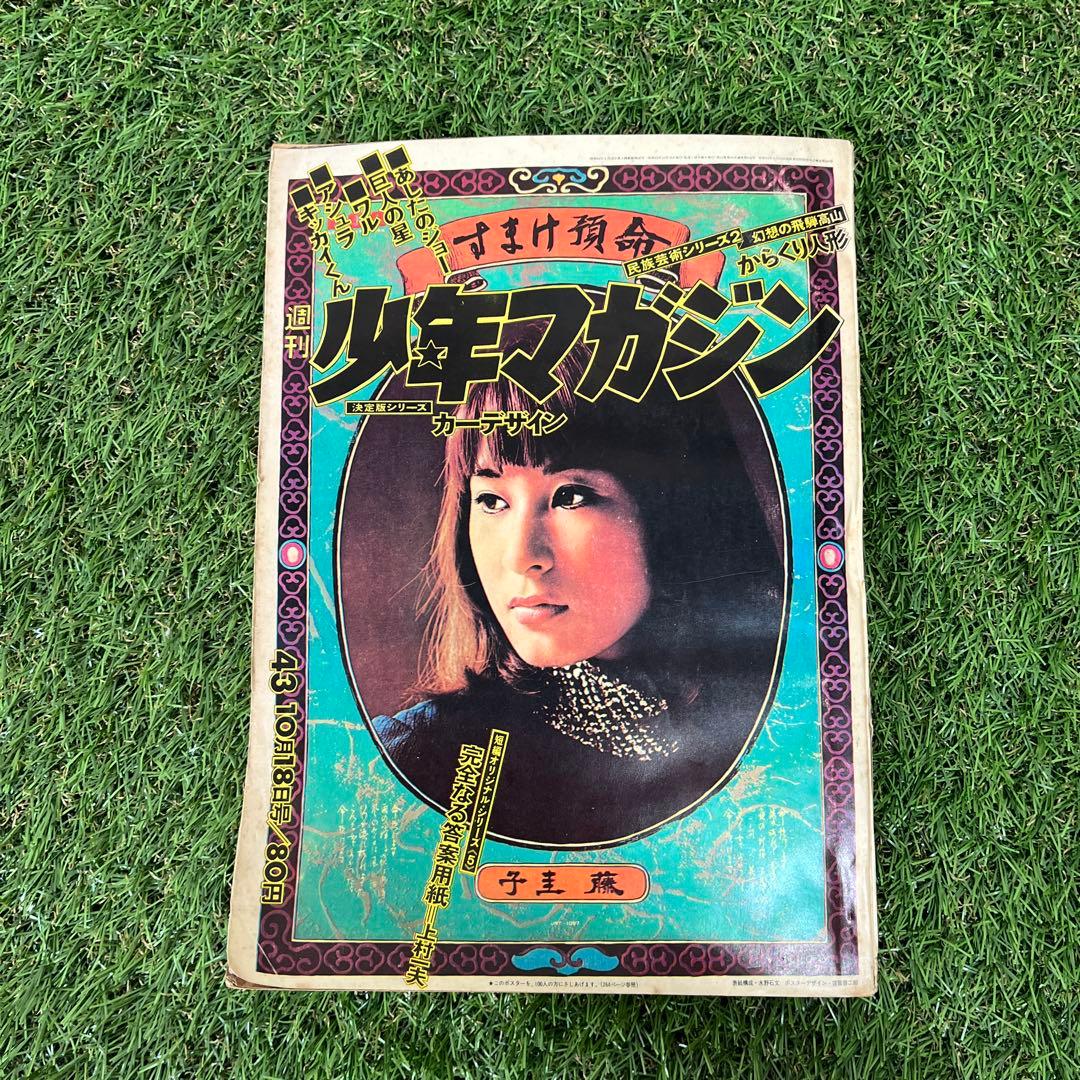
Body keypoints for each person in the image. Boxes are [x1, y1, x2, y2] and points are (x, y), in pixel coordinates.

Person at [371, 318, 787, 848]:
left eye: (570, 496)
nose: (522, 557)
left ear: (678, 510)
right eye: (491, 501)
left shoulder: (787, 728)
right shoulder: (425, 756)